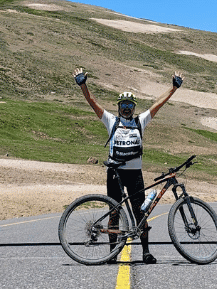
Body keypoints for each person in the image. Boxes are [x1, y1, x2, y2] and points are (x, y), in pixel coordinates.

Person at [73, 67, 183, 264]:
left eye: (130, 105)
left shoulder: (141, 121)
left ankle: (146, 252)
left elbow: (158, 104)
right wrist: (83, 85)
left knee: (140, 212)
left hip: (135, 174)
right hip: (115, 173)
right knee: (114, 212)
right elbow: (93, 102)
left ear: (134, 107)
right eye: (123, 104)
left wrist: (173, 88)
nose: (126, 108)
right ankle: (112, 253)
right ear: (118, 107)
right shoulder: (111, 121)